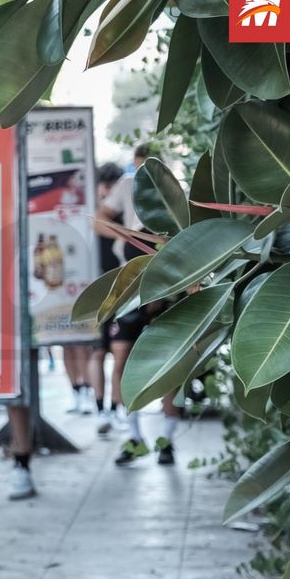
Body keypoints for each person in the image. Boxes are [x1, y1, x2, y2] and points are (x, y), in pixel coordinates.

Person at [95, 145, 178, 465]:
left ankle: (167, 441)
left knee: (168, 364)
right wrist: (133, 238)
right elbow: (99, 220)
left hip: (169, 286)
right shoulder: (128, 185)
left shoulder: (176, 192)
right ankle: (134, 437)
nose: (146, 172)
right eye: (140, 166)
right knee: (121, 359)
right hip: (131, 285)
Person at [91, 162, 125, 434]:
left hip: (123, 288)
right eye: (105, 186)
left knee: (120, 352)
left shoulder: (126, 214)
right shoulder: (96, 215)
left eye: (112, 186)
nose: (109, 191)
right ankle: (99, 408)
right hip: (97, 290)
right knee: (98, 351)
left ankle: (116, 408)